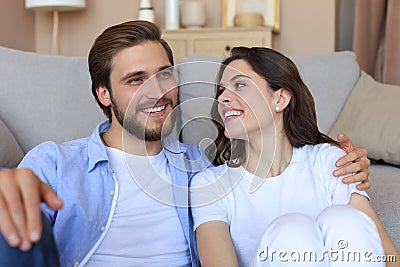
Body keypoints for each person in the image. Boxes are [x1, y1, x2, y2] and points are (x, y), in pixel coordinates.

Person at [0, 21, 371, 267]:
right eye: (135, 80)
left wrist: (343, 159)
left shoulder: (201, 168)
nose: (157, 92)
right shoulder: (56, 163)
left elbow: (272, 165)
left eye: (164, 75)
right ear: (104, 93)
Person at [190, 47, 400, 267]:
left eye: (240, 85)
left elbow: (388, 256)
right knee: (293, 231)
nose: (222, 98)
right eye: (221, 91)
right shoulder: (209, 186)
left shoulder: (330, 162)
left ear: (279, 99)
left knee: (344, 219)